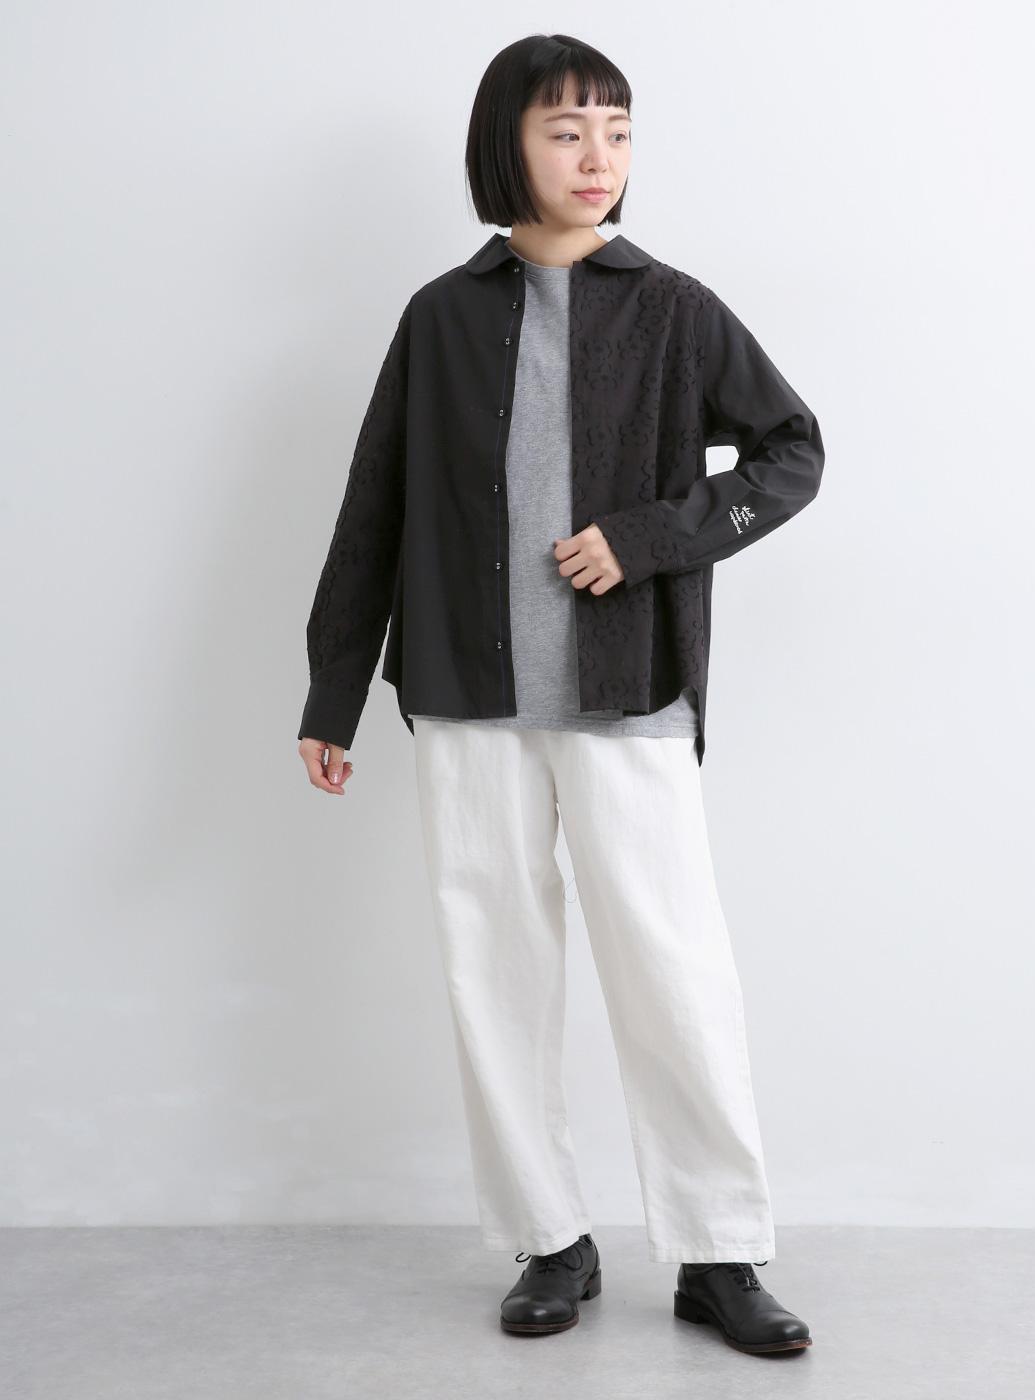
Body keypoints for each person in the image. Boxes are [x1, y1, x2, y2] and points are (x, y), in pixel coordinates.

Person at [297, 33, 824, 1358]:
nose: (599, 158)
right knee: (495, 968)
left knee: (673, 967)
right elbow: (374, 507)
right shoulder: (440, 317)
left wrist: (648, 540)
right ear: (507, 146)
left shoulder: (676, 309)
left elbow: (791, 449)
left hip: (627, 690)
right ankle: (549, 1237)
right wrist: (331, 689)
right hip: (468, 695)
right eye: (566, 131)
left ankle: (719, 1252)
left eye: (617, 131)